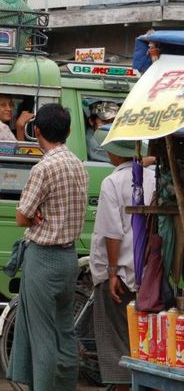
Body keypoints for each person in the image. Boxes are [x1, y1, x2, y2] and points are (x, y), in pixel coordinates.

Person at [6, 103, 89, 391]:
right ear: (67, 131)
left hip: (43, 259)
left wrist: (33, 214)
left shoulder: (43, 168)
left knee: (42, 337)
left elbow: (21, 217)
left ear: (36, 131)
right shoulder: (78, 165)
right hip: (68, 258)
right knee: (64, 332)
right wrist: (35, 213)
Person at [88, 129, 154, 390]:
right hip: (148, 275)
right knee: (144, 344)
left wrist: (113, 272)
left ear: (115, 153)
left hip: (120, 276)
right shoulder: (152, 179)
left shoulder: (112, 183)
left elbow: (111, 232)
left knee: (117, 345)